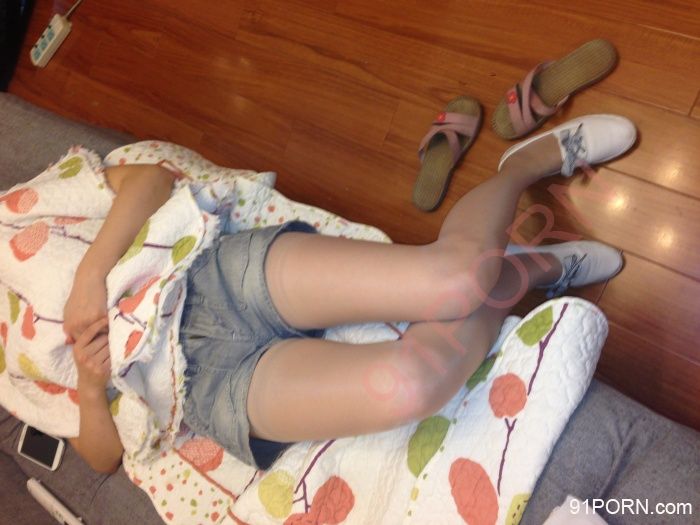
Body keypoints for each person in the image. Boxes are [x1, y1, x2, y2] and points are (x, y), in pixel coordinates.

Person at [62, 114, 636, 473]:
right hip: (197, 390)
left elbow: (150, 179)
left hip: (200, 282)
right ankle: (521, 273)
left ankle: (523, 165)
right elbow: (102, 457)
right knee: (414, 385)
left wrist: (90, 277)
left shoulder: (27, 203)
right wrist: (89, 388)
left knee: (455, 280)